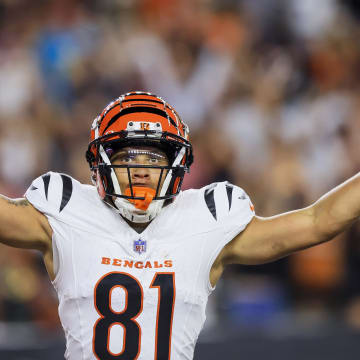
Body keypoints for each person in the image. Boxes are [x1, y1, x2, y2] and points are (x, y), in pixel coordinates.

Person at [0, 91, 359, 360]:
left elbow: (318, 220)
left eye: (154, 157)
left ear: (177, 164)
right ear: (101, 163)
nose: (140, 169)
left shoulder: (205, 218)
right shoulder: (66, 208)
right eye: (127, 155)